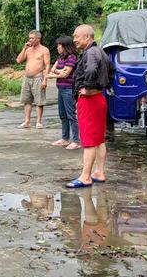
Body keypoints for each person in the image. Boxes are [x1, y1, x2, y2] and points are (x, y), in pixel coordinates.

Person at [66, 24, 111, 188]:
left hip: (90, 101)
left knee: (89, 140)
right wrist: (99, 88)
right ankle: (99, 172)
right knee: (99, 139)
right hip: (98, 99)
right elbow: (112, 71)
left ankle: (85, 177)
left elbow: (91, 69)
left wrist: (88, 87)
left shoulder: (91, 53)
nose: (74, 40)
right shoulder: (101, 52)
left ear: (87, 37)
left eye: (77, 36)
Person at [47, 36, 80, 150]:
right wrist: (58, 72)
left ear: (65, 46)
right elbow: (54, 69)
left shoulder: (72, 58)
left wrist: (56, 73)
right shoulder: (61, 57)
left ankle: (76, 140)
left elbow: (65, 74)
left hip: (68, 89)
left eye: (59, 45)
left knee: (71, 115)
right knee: (62, 115)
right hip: (60, 88)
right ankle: (65, 138)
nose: (57, 48)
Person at [16, 30, 50, 129]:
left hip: (38, 77)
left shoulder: (44, 50)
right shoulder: (28, 49)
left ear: (38, 39)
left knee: (39, 101)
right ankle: (27, 121)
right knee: (27, 100)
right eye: (29, 38)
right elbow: (18, 60)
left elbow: (47, 65)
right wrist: (24, 48)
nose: (30, 40)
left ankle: (39, 121)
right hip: (27, 78)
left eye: (32, 38)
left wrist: (45, 80)